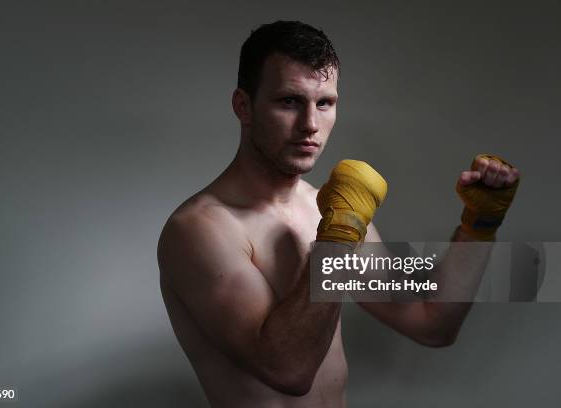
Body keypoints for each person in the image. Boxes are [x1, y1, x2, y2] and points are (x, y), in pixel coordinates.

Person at [157, 20, 520, 408]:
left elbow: (431, 322)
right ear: (243, 106)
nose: (310, 125)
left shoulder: (331, 210)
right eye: (289, 101)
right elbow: (288, 370)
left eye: (324, 103)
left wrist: (478, 225)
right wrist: (338, 241)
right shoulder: (201, 230)